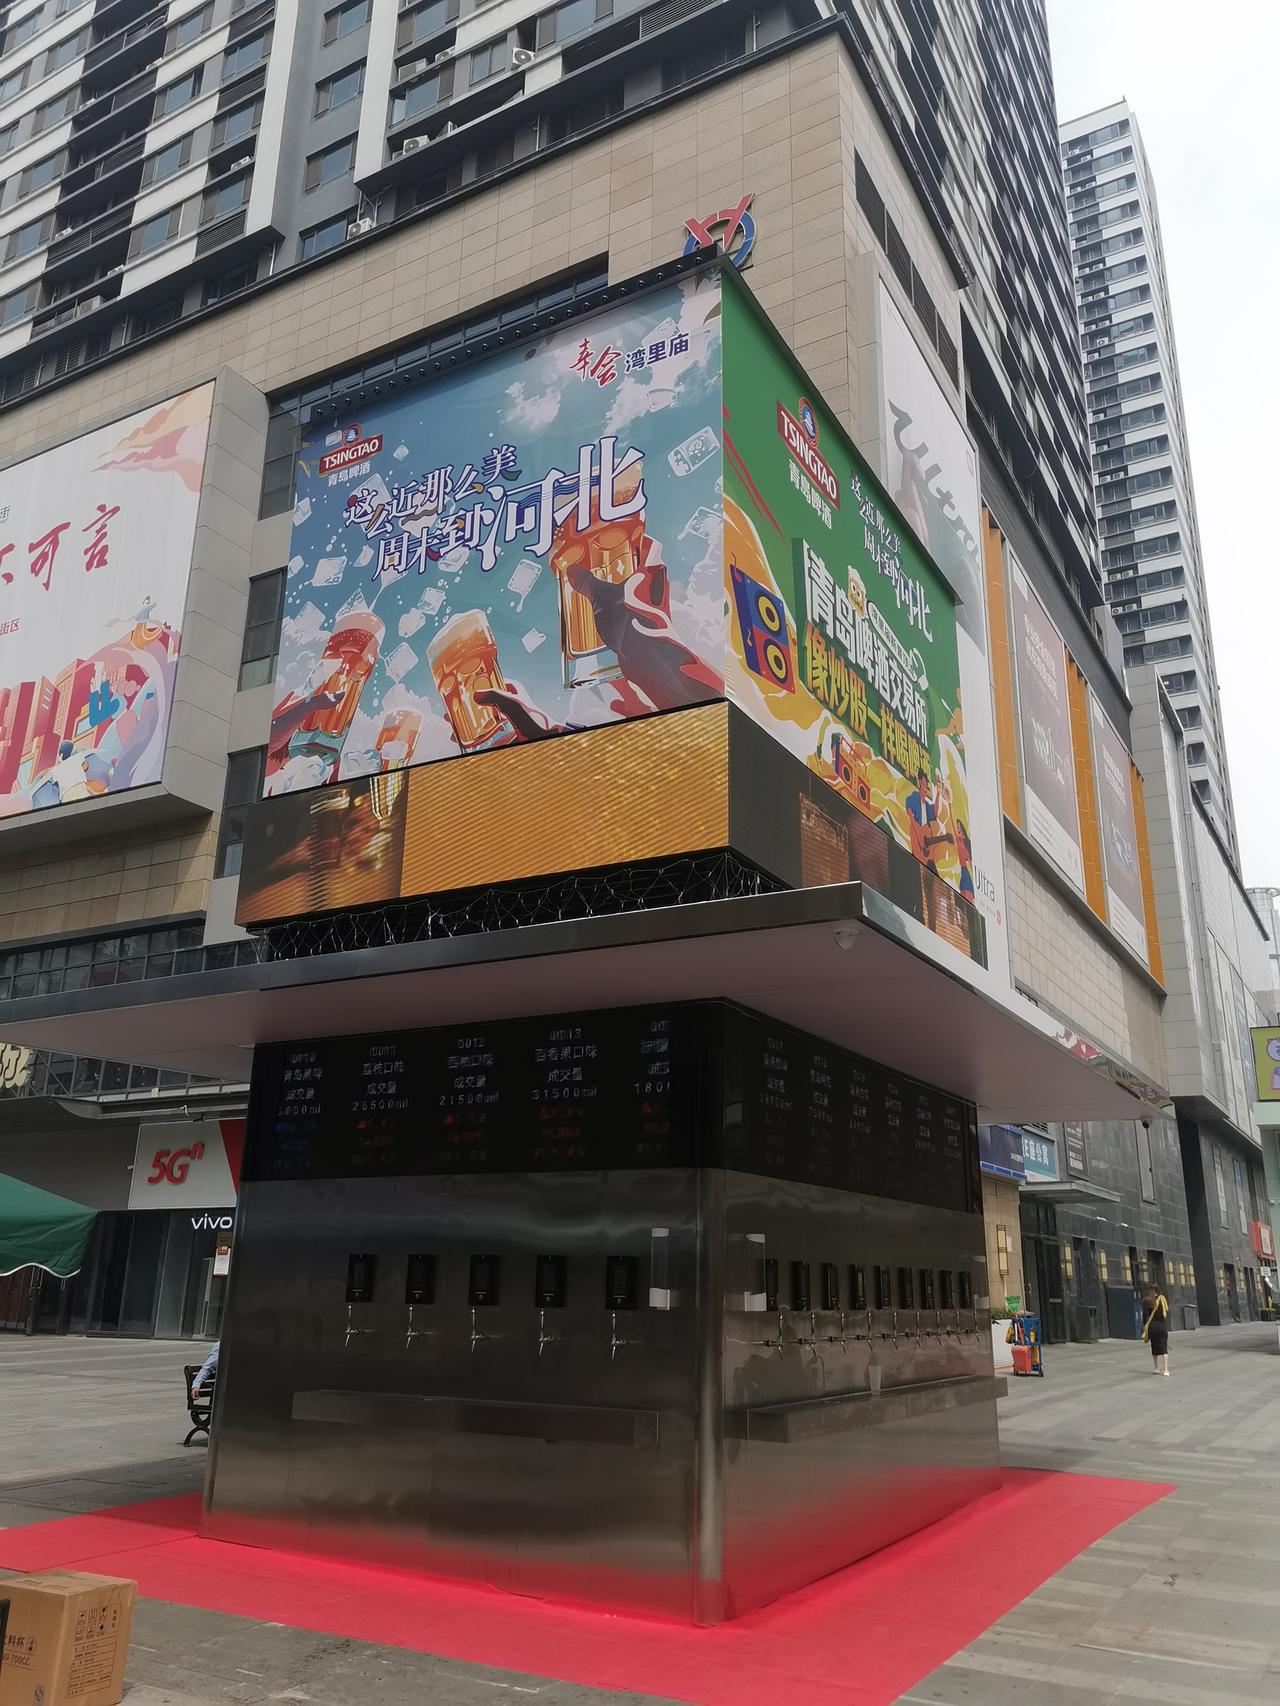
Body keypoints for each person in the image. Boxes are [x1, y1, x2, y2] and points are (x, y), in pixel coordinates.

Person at [1141, 1284, 1170, 1376]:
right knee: (1164, 1347)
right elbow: (1166, 1313)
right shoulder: (1162, 1299)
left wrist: (1144, 1327)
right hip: (1161, 1325)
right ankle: (1166, 1370)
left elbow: (1145, 1316)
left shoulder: (1146, 1300)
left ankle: (1156, 1368)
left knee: (1154, 1346)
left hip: (1152, 1326)